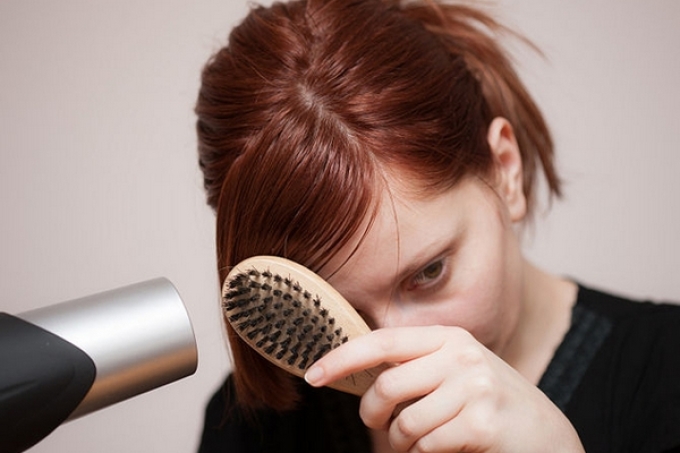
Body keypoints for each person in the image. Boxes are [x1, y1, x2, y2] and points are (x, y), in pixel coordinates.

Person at [194, 0, 680, 451]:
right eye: (342, 312)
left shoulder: (664, 377)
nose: (394, 357)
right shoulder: (252, 428)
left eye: (429, 273)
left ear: (505, 171)